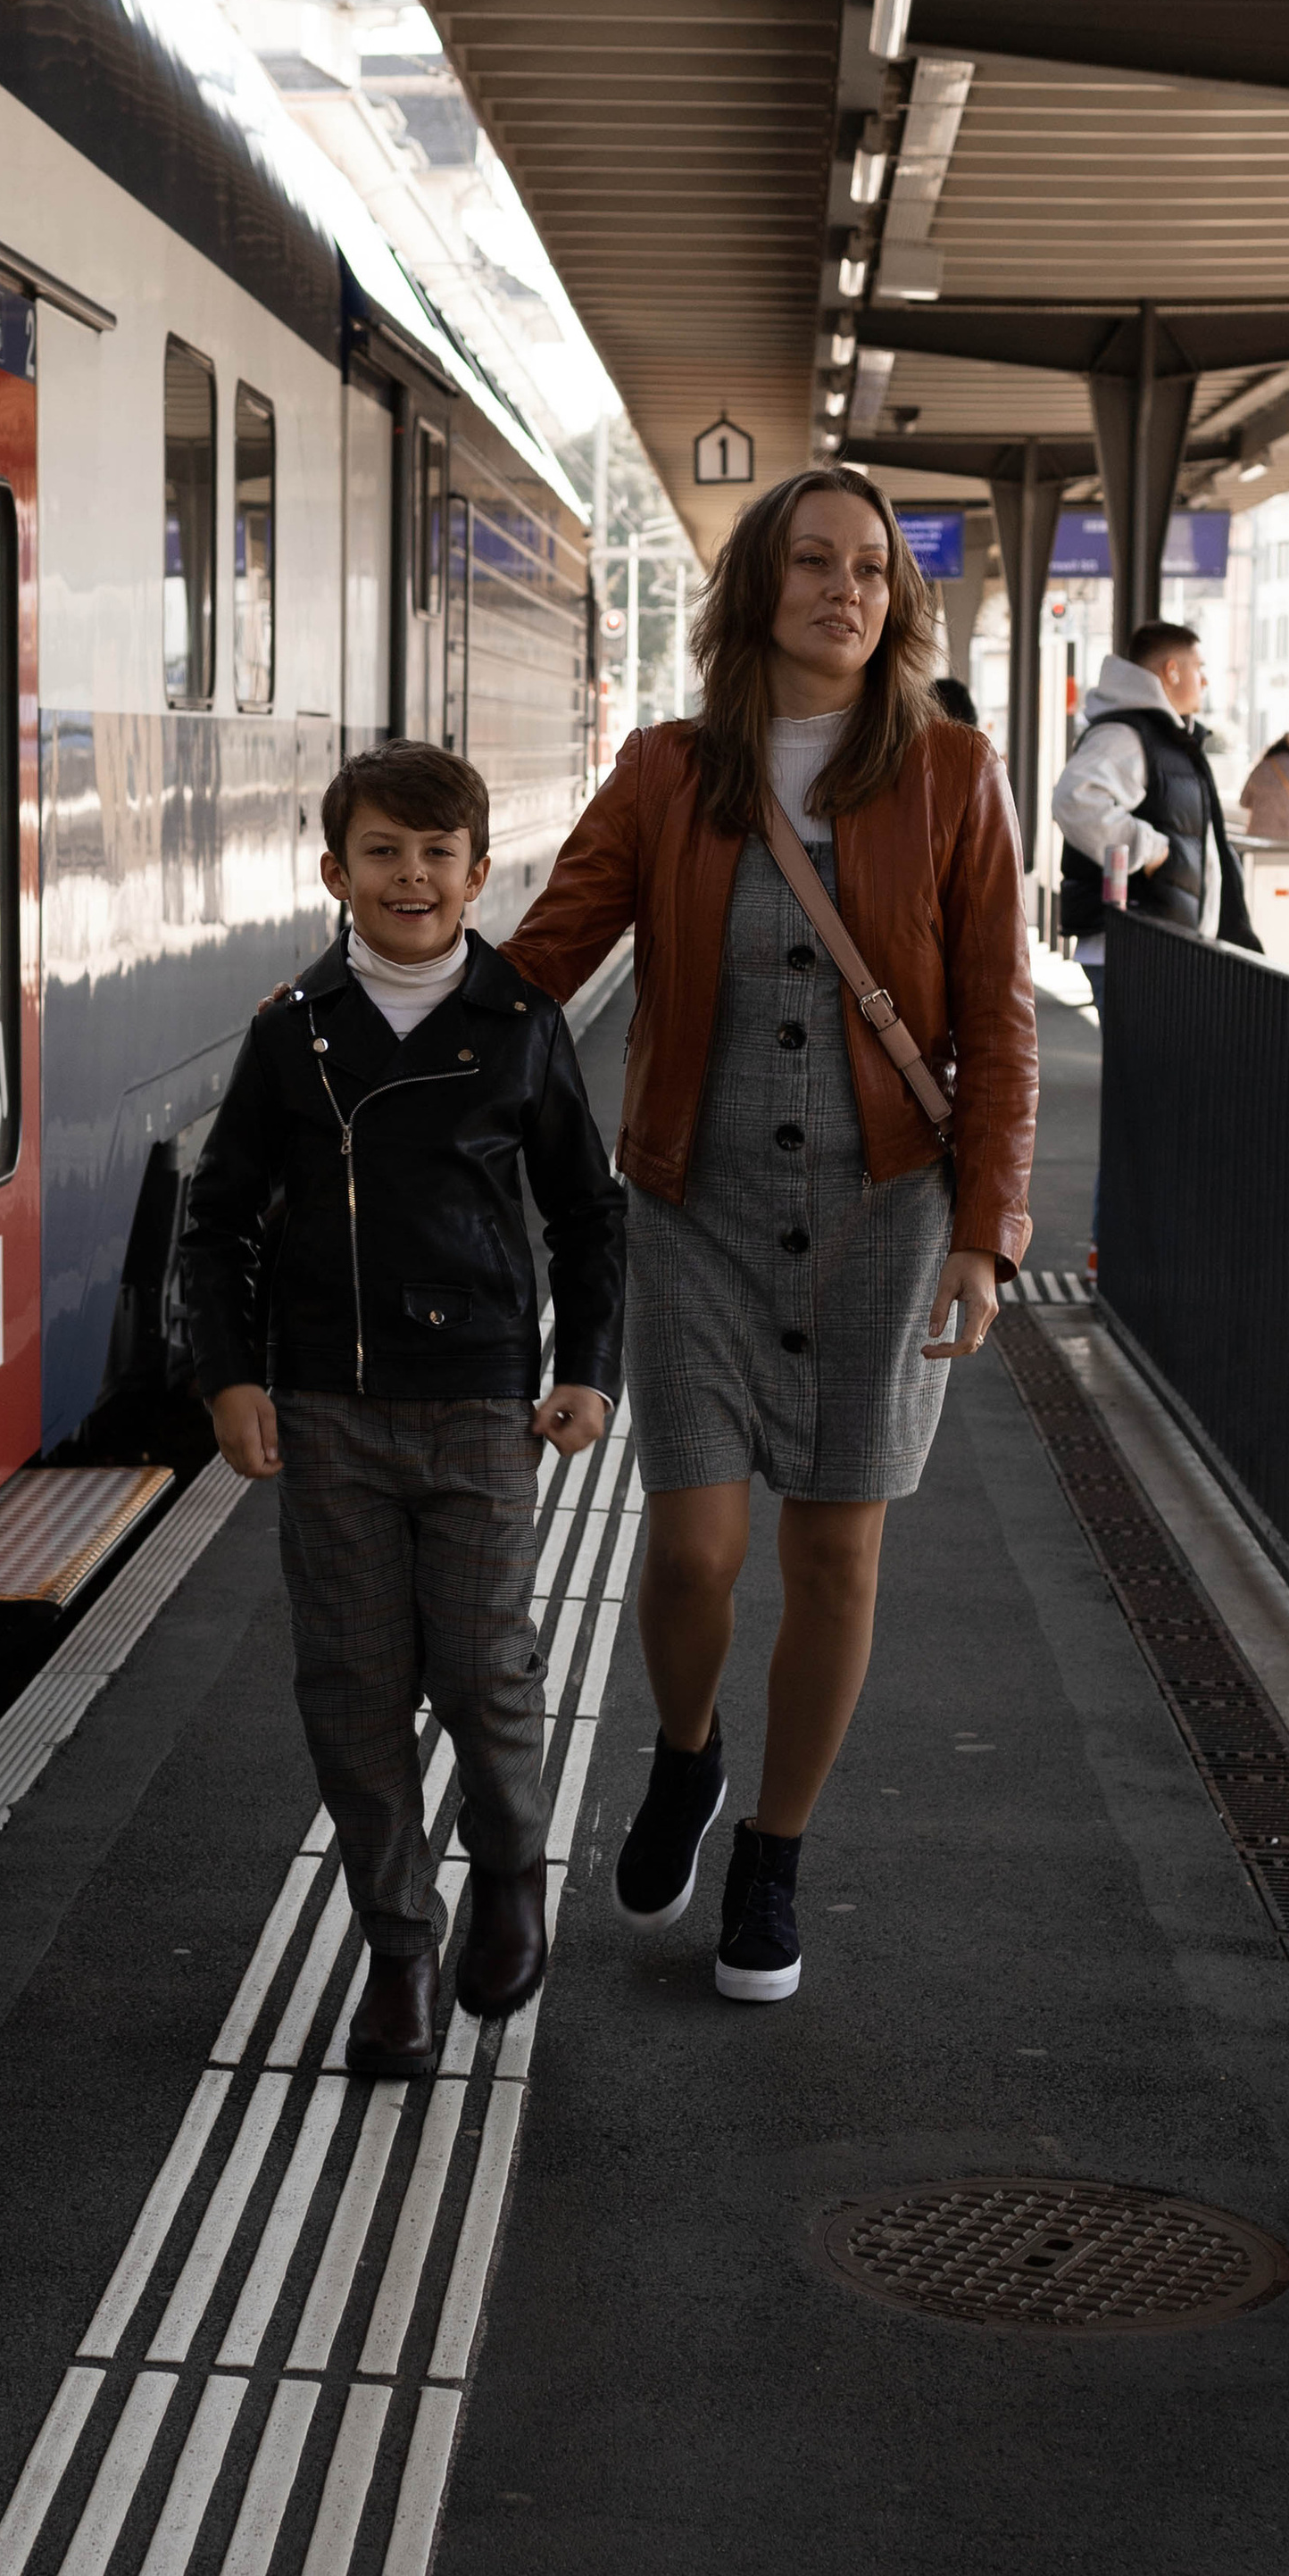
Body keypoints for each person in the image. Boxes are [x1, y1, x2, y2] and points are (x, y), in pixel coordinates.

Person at [502, 471, 1037, 2007]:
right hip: (695, 1205)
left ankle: (773, 1856)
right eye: (814, 563)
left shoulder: (951, 771)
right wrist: (375, 1010)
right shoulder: (669, 770)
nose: (846, 591)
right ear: (759, 588)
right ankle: (686, 1753)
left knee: (836, 1553)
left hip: (886, 1208)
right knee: (692, 1547)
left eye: (872, 570)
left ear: (897, 604)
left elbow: (998, 1022)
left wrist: (988, 1235)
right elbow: (552, 954)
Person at [179, 744, 626, 2081]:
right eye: (383, 853)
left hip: (484, 1403)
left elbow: (588, 1217)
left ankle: (508, 1870)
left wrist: (587, 1366)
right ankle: (398, 1953)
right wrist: (232, 1376)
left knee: (486, 1672)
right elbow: (216, 1227)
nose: (412, 877)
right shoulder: (290, 1034)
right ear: (336, 874)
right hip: (330, 1406)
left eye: (439, 855)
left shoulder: (524, 1025)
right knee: (355, 1688)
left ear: (481, 874)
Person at [1051, 621, 1261, 1018]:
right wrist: (1149, 849)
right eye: (1198, 667)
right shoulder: (1127, 735)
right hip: (1137, 946)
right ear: (1172, 670)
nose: (1206, 679)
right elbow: (1074, 798)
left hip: (1156, 944)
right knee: (1146, 1076)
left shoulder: (1164, 737)